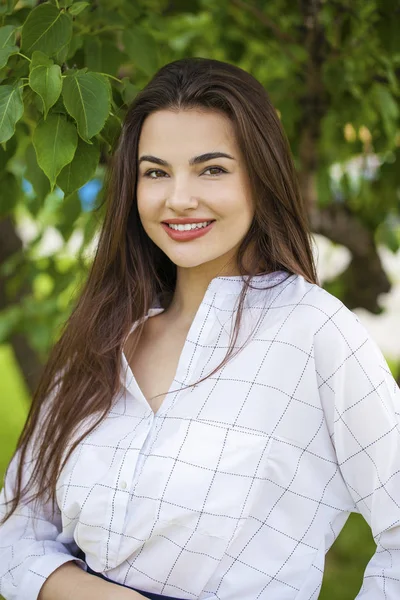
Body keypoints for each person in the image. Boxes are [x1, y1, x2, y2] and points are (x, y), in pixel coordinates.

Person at [0, 57, 399, 600]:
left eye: (211, 169)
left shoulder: (314, 333)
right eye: (155, 172)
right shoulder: (102, 337)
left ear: (261, 177)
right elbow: (18, 525)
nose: (178, 198)